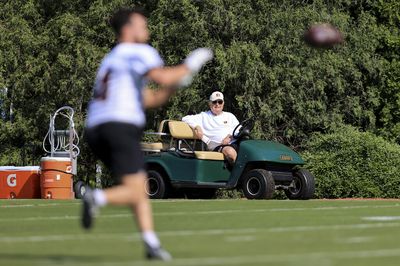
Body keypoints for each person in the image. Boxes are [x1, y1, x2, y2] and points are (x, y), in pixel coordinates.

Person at [82, 7, 213, 261]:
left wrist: (172, 88)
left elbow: (149, 98)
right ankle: (94, 196)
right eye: (142, 25)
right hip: (119, 127)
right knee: (134, 190)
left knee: (136, 187)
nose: (147, 29)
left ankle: (151, 244)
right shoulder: (138, 51)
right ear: (128, 29)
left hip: (96, 129)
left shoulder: (112, 58)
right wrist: (191, 64)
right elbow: (163, 76)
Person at [182, 91, 239, 163]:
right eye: (214, 102)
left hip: (234, 142)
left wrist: (229, 137)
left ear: (223, 103)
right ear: (210, 104)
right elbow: (185, 118)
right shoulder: (204, 116)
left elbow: (238, 129)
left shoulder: (230, 116)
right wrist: (197, 127)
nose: (217, 104)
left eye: (220, 102)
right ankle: (242, 174)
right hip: (217, 145)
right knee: (230, 152)